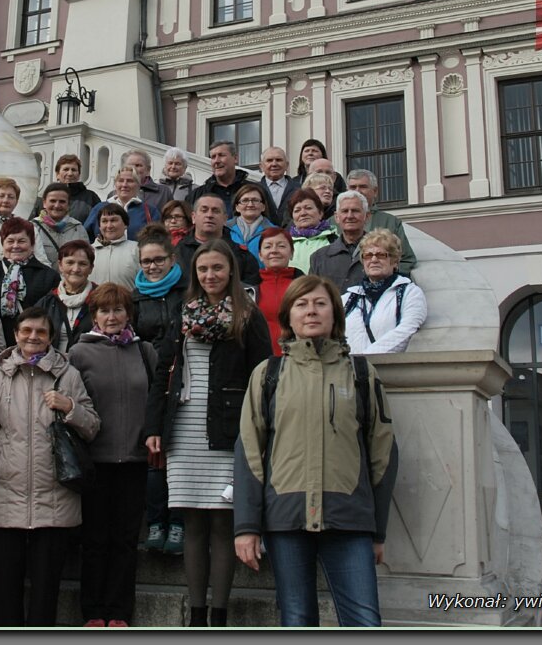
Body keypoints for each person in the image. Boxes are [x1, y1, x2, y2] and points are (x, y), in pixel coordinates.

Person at [233, 275, 399, 627]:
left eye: (320, 303)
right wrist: (246, 526)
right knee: (297, 619)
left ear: (335, 315)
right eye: (301, 304)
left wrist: (378, 530)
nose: (311, 312)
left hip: (349, 518)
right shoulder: (268, 374)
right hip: (286, 517)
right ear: (288, 317)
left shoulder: (361, 374)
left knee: (365, 621)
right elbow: (249, 452)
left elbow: (383, 453)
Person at [145, 240, 273, 627]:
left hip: (227, 428)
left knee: (222, 522)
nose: (210, 276)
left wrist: (259, 430)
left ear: (231, 271)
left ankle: (219, 613)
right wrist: (154, 427)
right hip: (184, 427)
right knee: (191, 522)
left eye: (217, 268)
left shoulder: (247, 316)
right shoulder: (184, 313)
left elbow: (263, 374)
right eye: (203, 270)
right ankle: (195, 613)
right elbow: (163, 371)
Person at [0, 307, 100, 626]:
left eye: (40, 332)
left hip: (54, 497)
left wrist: (69, 407)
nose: (33, 337)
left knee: (46, 591)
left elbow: (92, 426)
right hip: (5, 494)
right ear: (15, 335)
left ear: (51, 337)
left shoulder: (67, 374)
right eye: (26, 331)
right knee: (5, 590)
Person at [69, 284, 158, 627]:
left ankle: (119, 611)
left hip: (133, 461)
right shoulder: (79, 354)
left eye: (118, 310)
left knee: (124, 540)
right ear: (94, 316)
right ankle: (93, 611)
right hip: (95, 460)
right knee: (95, 540)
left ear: (128, 314)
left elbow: (153, 399)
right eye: (104, 311)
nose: (112, 317)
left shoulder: (144, 351)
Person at [132, 224, 188, 555]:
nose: (152, 267)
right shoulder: (135, 297)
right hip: (148, 381)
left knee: (177, 454)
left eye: (158, 260)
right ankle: (156, 522)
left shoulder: (187, 291)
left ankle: (178, 522)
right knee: (153, 456)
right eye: (146, 261)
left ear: (171, 259)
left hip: (180, 380)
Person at [0, 217, 61, 347]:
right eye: (10, 241)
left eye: (22, 241)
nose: (15, 246)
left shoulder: (48, 276)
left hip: (32, 344)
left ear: (32, 244)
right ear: (3, 243)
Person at [342, 229, 427, 355]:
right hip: (349, 370)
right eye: (368, 255)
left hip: (387, 369)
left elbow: (407, 330)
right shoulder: (348, 298)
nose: (374, 260)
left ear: (394, 261)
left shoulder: (409, 293)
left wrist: (364, 359)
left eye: (381, 255)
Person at [175, 193, 261, 287]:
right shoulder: (177, 252)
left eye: (215, 211)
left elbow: (250, 291)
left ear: (225, 219)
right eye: (204, 210)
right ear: (193, 217)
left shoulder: (241, 255)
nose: (209, 215)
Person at [344, 169, 416, 275]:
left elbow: (406, 260)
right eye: (353, 187)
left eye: (363, 187)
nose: (357, 191)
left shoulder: (390, 222)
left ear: (375, 191)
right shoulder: (333, 222)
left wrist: (386, 276)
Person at [34, 240, 98, 352]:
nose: (76, 269)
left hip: (90, 367)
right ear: (60, 266)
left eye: (82, 264)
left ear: (91, 268)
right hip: (54, 366)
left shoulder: (101, 300)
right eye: (70, 262)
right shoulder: (47, 302)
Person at [310, 190, 369, 293]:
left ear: (366, 216)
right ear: (337, 217)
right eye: (345, 211)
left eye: (355, 211)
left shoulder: (381, 254)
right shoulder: (319, 258)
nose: (350, 216)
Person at [256, 228, 303, 355]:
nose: (274, 251)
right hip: (260, 358)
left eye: (281, 246)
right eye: (268, 246)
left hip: (297, 357)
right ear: (260, 254)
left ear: (292, 253)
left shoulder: (305, 286)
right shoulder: (249, 288)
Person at [84, 165, 161, 241]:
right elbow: (86, 237)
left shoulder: (149, 211)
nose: (124, 185)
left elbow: (158, 239)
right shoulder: (100, 208)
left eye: (130, 181)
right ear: (115, 184)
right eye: (121, 181)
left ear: (138, 185)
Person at [32, 182, 90, 270]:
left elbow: (86, 259)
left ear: (68, 205)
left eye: (62, 201)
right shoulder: (33, 227)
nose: (57, 205)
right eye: (53, 201)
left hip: (70, 281)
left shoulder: (78, 228)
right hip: (42, 281)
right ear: (44, 203)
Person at [30, 154, 100, 224]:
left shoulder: (91, 198)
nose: (70, 173)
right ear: (57, 174)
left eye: (74, 170)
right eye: (66, 169)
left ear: (79, 175)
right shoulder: (44, 200)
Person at [189, 141, 251, 217]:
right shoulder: (196, 195)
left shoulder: (254, 191)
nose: (216, 161)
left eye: (221, 155)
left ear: (235, 158)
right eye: (213, 157)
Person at [88, 203, 141, 290]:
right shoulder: (88, 251)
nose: (109, 226)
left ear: (125, 224)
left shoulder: (137, 249)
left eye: (114, 220)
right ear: (100, 226)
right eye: (104, 221)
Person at [287, 189, 337, 274]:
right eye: (297, 210)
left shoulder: (334, 241)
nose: (303, 213)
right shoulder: (285, 243)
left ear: (320, 213)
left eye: (308, 208)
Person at [227, 183, 276, 268]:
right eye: (245, 200)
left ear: (263, 207)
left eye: (255, 200)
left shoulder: (275, 232)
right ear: (237, 207)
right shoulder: (224, 229)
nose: (250, 205)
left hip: (262, 279)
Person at [258, 146, 300, 226]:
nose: (274, 164)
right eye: (269, 160)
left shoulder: (299, 189)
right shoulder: (253, 190)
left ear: (287, 165)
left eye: (279, 160)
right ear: (261, 166)